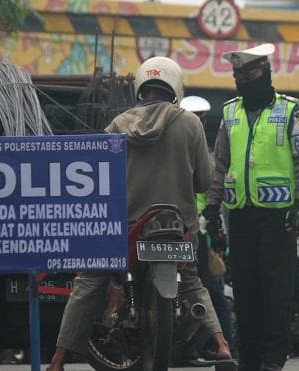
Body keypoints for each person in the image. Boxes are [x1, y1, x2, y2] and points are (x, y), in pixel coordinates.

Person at [46, 57, 231, 371]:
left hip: (124, 227)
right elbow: (203, 181)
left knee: (89, 285)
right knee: (191, 283)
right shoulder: (190, 123)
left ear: (141, 88)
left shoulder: (118, 125)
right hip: (176, 224)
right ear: (174, 86)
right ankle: (222, 345)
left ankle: (57, 360)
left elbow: (99, 179)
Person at [205, 43, 299, 371]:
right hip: (240, 215)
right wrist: (212, 209)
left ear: (264, 72)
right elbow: (220, 164)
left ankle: (272, 359)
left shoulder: (291, 110)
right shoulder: (230, 113)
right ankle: (249, 359)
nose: (241, 80)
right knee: (245, 291)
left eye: (248, 74)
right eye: (237, 75)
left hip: (279, 216)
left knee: (276, 293)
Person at [180, 95, 237, 356]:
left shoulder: (209, 154)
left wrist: (212, 226)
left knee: (210, 291)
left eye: (201, 118)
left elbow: (215, 192)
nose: (198, 122)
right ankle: (193, 346)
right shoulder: (175, 146)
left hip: (199, 233)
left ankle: (222, 346)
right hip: (175, 228)